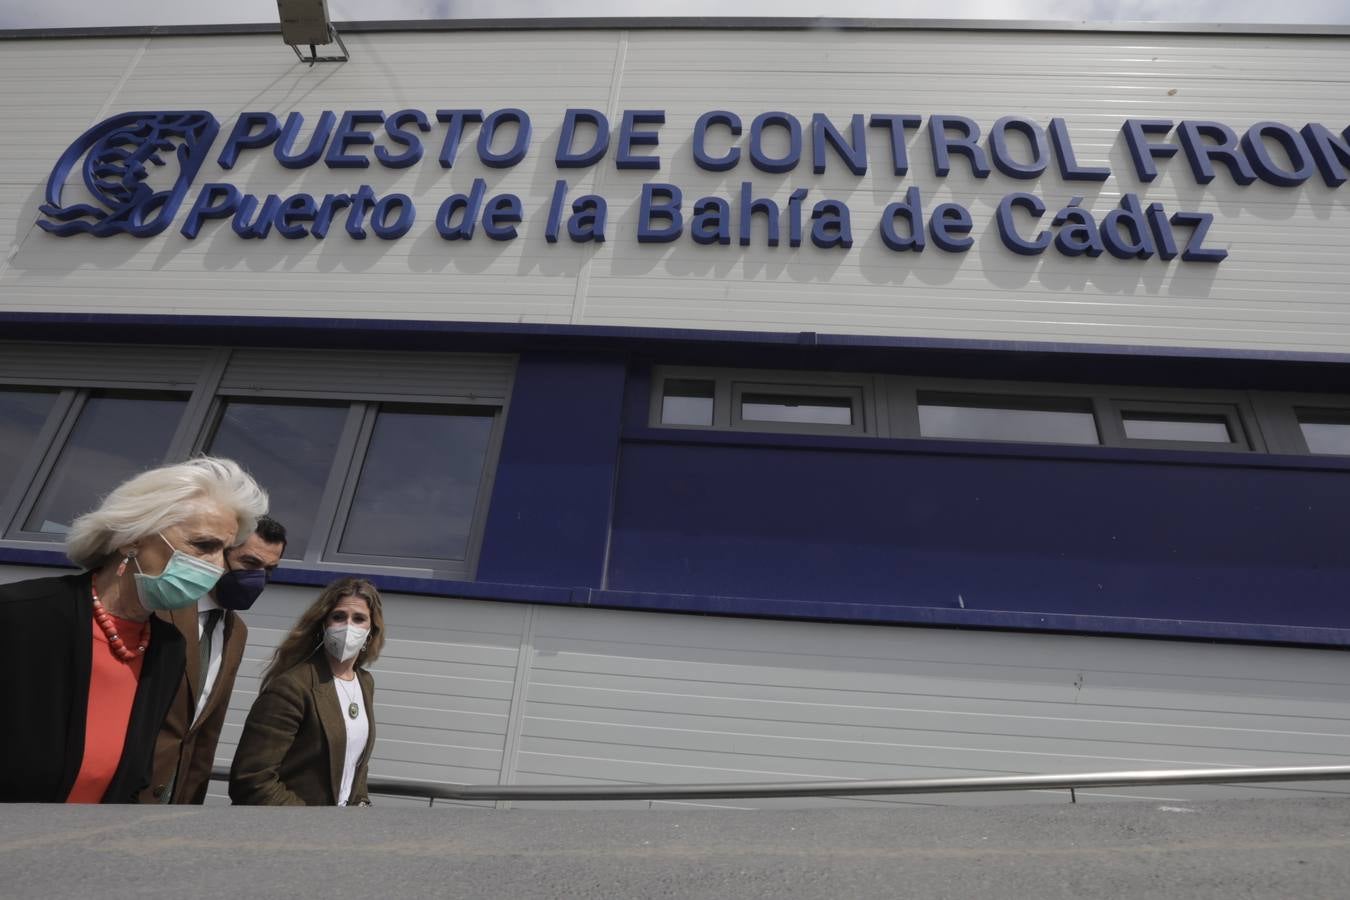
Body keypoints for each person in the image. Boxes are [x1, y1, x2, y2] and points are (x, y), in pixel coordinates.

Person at [0, 456, 268, 803]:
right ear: (132, 538)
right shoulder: (21, 616)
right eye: (203, 545)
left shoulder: (167, 648)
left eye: (224, 551)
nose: (218, 566)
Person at [140, 515, 288, 804]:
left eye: (269, 570)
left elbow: (206, 730)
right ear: (221, 552)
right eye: (250, 563)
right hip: (123, 793)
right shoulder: (162, 608)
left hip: (175, 802)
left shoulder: (236, 633)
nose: (258, 579)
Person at [229, 577, 383, 806]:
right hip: (290, 832)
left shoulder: (364, 682)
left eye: (359, 618)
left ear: (371, 630)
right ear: (323, 624)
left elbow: (355, 762)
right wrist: (312, 824)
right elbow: (252, 779)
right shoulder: (291, 686)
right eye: (339, 617)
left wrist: (360, 802)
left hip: (337, 833)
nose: (348, 626)